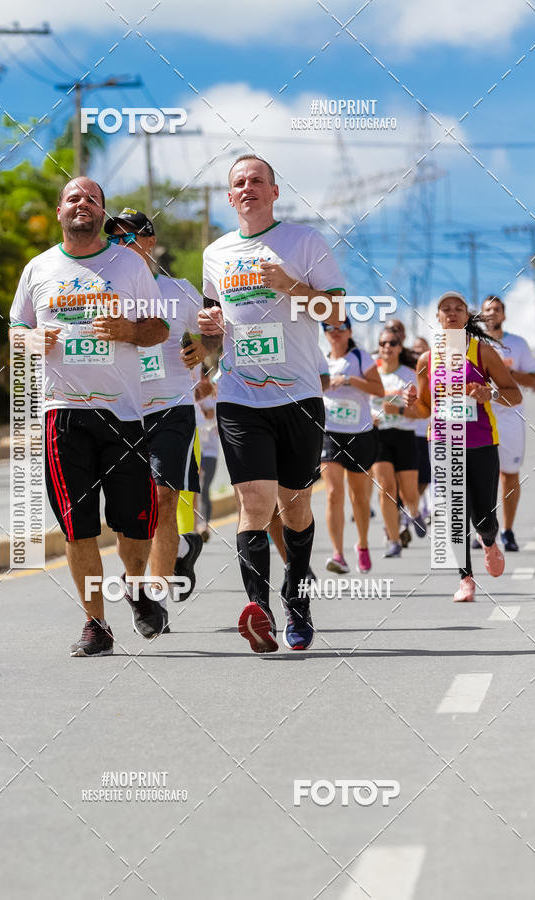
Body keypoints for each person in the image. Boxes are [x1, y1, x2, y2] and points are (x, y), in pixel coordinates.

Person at [10, 178, 170, 656]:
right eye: (74, 198)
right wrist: (30, 341)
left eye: (92, 199)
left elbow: (159, 327)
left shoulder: (129, 265)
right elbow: (18, 327)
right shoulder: (38, 268)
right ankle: (96, 624)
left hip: (122, 414)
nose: (83, 204)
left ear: (102, 213)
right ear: (60, 210)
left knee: (135, 525)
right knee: (77, 527)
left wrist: (129, 329)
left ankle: (137, 587)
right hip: (63, 415)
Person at [199, 154, 345, 653]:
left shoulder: (303, 241)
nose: (247, 189)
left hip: (299, 394)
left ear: (274, 191)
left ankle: (297, 600)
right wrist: (210, 329)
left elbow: (336, 309)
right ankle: (259, 610)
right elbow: (215, 319)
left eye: (256, 181)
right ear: (229, 196)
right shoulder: (215, 253)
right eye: (238, 183)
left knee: (296, 505)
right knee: (255, 503)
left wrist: (291, 287)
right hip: (240, 395)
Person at [105, 208, 205, 607]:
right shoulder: (101, 289)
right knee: (129, 508)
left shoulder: (178, 290)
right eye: (113, 239)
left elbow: (223, 327)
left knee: (164, 499)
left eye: (129, 238)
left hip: (171, 407)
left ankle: (156, 600)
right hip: (122, 411)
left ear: (150, 243)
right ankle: (179, 549)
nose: (121, 246)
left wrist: (208, 349)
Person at [412, 292, 521, 602]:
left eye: (458, 308)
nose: (452, 313)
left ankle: (489, 540)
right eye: (445, 308)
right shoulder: (427, 359)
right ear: (437, 316)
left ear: (466, 316)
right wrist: (409, 404)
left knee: (484, 517)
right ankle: (466, 580)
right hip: (444, 443)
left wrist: (491, 395)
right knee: (454, 514)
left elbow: (515, 394)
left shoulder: (482, 351)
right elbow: (424, 408)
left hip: (482, 442)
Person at [320, 317, 384, 574]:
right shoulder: (320, 359)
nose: (335, 333)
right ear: (324, 333)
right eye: (329, 329)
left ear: (349, 331)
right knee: (334, 494)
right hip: (329, 433)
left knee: (359, 498)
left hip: (360, 433)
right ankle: (338, 554)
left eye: (340, 328)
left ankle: (363, 545)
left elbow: (378, 389)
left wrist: (349, 380)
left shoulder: (360, 358)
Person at [481, 295, 535, 551]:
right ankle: (482, 529)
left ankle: (508, 530)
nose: (492, 313)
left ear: (503, 315)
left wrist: (506, 374)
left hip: (510, 415)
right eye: (487, 310)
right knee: (480, 474)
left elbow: (533, 382)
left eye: (497, 309)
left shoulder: (518, 344)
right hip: (481, 415)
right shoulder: (474, 344)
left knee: (509, 475)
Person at [370, 328, 426, 558]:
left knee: (409, 493)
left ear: (400, 348)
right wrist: (368, 417)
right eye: (383, 343)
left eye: (392, 343)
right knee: (386, 490)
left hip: (404, 435)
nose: (387, 347)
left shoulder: (409, 375)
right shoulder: (371, 373)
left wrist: (400, 409)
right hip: (379, 436)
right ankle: (393, 541)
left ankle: (414, 511)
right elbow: (360, 402)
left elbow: (422, 412)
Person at [194, 366, 219, 542]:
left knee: (204, 488)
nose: (202, 380)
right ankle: (195, 527)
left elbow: (212, 416)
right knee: (194, 490)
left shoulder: (214, 395)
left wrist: (203, 410)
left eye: (205, 377)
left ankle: (205, 525)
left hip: (210, 451)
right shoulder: (189, 394)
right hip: (194, 448)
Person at [412, 336, 432, 522]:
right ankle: (408, 515)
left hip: (428, 434)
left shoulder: (432, 366)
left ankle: (421, 509)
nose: (418, 352)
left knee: (425, 479)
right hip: (409, 433)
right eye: (415, 349)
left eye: (422, 348)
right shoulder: (409, 369)